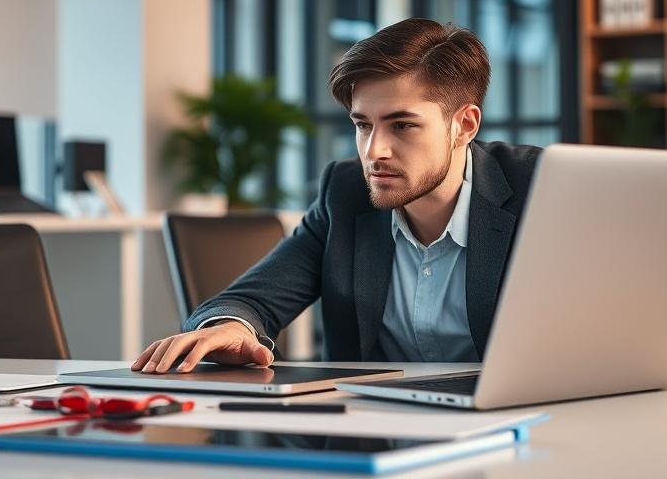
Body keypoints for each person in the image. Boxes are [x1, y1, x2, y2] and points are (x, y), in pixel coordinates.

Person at [133, 18, 541, 373]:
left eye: (402, 126)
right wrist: (233, 327)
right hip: (372, 440)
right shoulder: (345, 193)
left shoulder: (538, 190)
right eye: (363, 125)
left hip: (517, 437)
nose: (374, 151)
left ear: (464, 125)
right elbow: (251, 299)